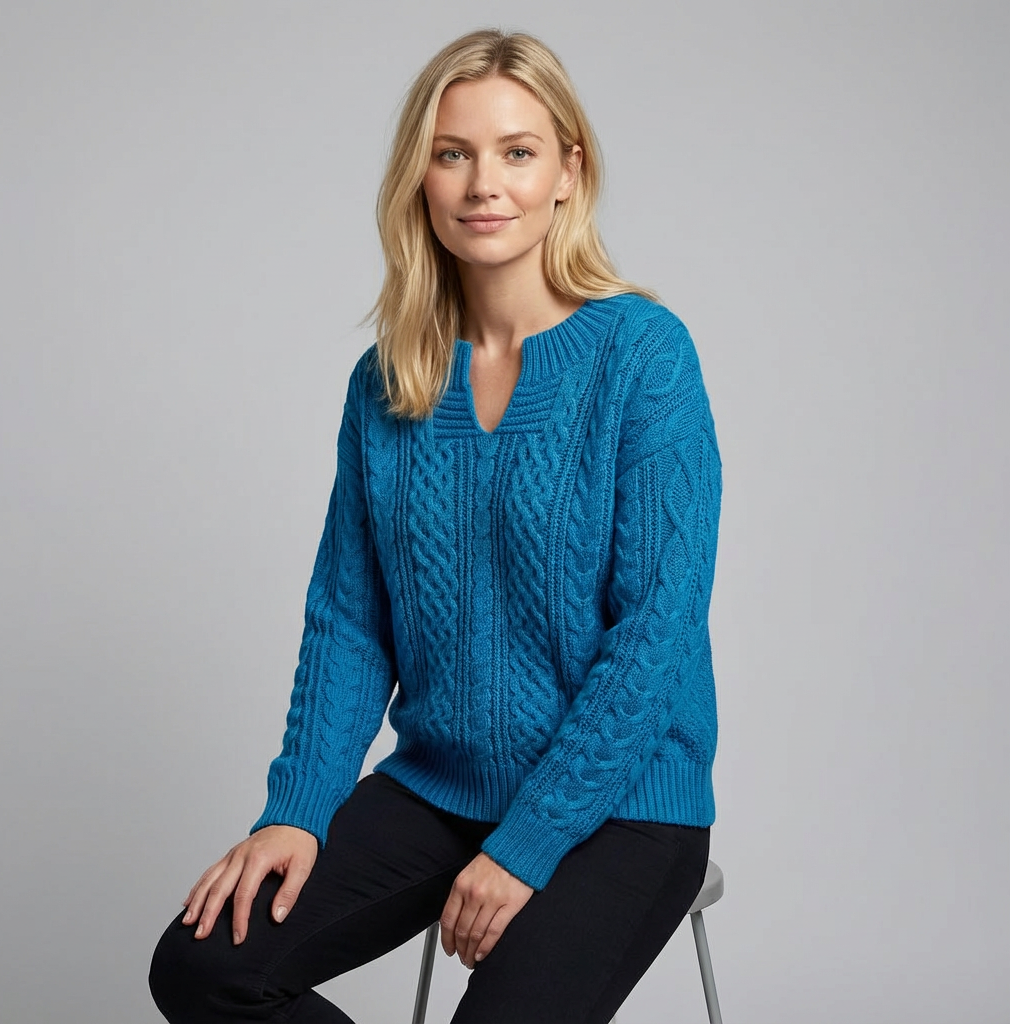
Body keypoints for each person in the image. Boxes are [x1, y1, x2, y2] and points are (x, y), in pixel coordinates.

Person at [149, 26, 723, 1024]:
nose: (483, 184)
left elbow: (655, 631)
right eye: (453, 153)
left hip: (624, 803)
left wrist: (527, 844)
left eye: (516, 151)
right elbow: (349, 622)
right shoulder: (385, 384)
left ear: (566, 172)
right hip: (440, 789)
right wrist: (297, 811)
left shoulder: (643, 354)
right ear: (420, 176)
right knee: (203, 967)